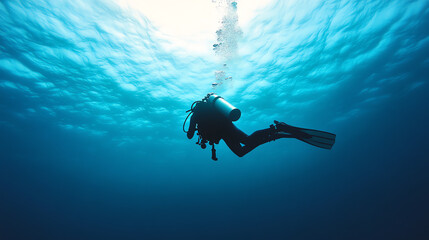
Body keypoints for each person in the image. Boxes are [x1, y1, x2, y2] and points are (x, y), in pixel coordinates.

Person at [184, 93, 336, 160]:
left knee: (242, 151)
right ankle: (276, 130)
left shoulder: (195, 116)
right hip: (227, 126)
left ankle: (276, 132)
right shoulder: (208, 110)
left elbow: (190, 135)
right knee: (248, 141)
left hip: (223, 132)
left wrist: (194, 128)